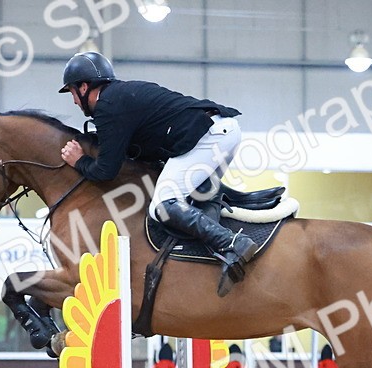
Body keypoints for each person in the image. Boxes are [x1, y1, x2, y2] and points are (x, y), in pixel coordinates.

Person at [58, 51, 258, 295]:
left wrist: (79, 161)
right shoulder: (119, 97)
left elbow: (106, 171)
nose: (74, 102)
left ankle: (232, 243)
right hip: (223, 132)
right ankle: (214, 259)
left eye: (72, 93)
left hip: (209, 138)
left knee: (162, 205)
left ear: (84, 86)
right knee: (199, 198)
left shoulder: (107, 105)